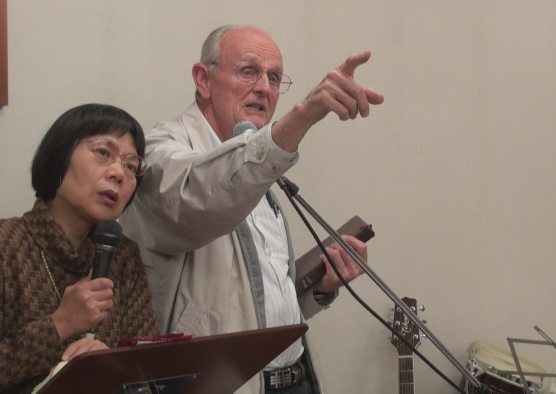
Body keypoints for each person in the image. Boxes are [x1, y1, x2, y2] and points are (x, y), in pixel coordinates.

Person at [120, 25, 384, 394]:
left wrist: (319, 288)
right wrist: (305, 113)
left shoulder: (257, 162)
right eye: (248, 72)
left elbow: (254, 304)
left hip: (295, 380)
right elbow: (199, 201)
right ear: (203, 79)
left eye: (274, 78)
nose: (264, 87)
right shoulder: (162, 149)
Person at [0, 104, 159, 394]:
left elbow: (151, 374)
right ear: (60, 154)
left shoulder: (123, 256)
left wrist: (111, 364)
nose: (119, 173)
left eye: (131, 166)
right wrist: (58, 325)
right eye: (104, 152)